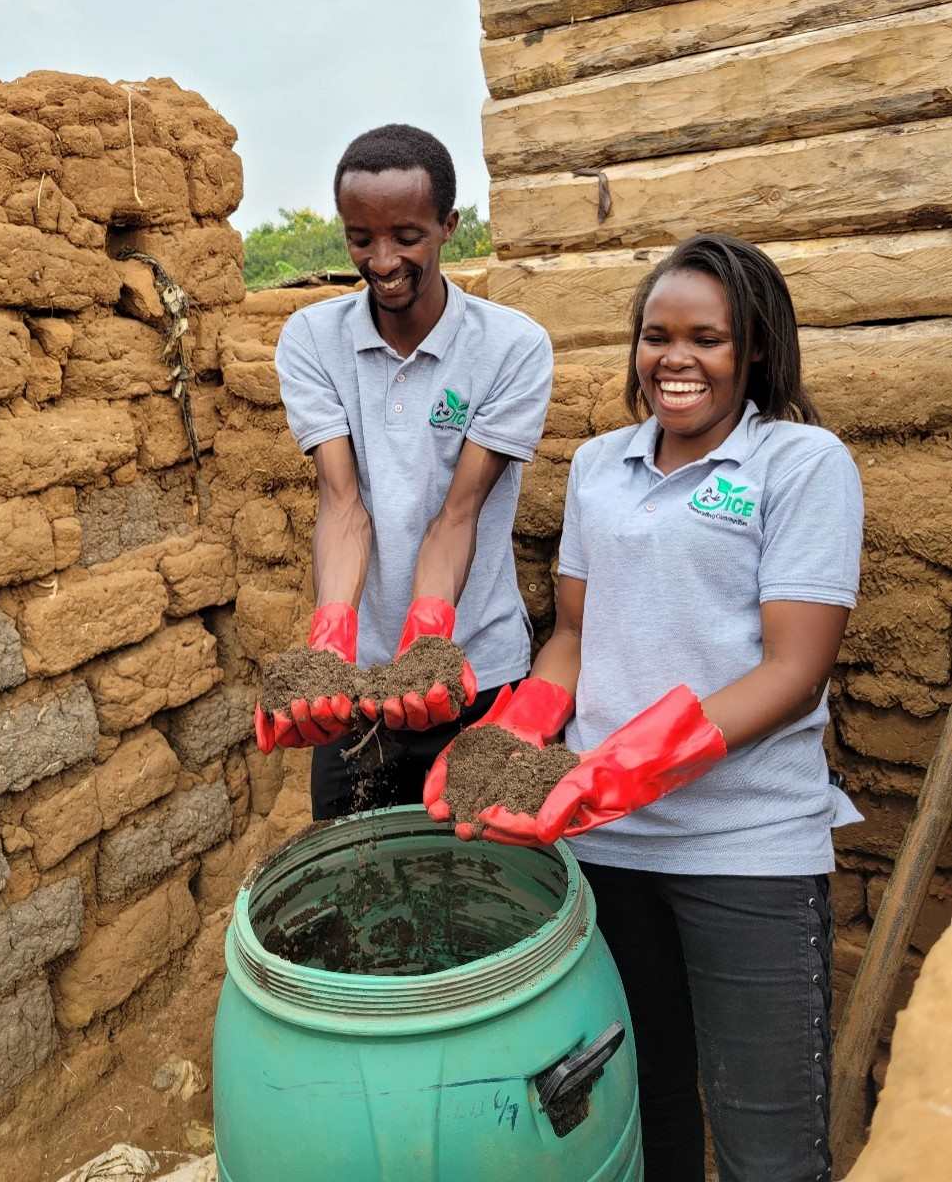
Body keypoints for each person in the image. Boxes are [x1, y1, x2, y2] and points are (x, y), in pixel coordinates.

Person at [426, 233, 864, 1182]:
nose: (675, 359)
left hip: (744, 848)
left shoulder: (800, 464)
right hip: (606, 850)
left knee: (768, 1141)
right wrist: (515, 731)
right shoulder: (599, 466)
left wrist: (617, 766)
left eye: (705, 338)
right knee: (643, 1100)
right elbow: (576, 637)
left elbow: (794, 670)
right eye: (656, 335)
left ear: (751, 348)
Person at [257, 122, 554, 820]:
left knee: (474, 879)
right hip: (354, 685)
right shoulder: (312, 341)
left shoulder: (511, 347)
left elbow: (459, 514)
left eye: (406, 236)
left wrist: (427, 647)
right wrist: (331, 639)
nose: (382, 259)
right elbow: (343, 505)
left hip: (475, 671)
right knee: (351, 869)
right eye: (360, 238)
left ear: (448, 225)